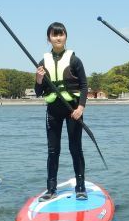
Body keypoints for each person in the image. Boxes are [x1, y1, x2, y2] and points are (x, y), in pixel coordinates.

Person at [34, 22, 88, 201]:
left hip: (73, 109)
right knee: (52, 151)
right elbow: (38, 92)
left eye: (61, 34)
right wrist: (39, 78)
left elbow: (84, 85)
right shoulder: (43, 62)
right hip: (53, 110)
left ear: (66, 36)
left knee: (75, 148)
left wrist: (81, 108)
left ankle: (80, 188)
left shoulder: (74, 60)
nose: (58, 38)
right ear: (48, 38)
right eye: (54, 35)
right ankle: (51, 189)